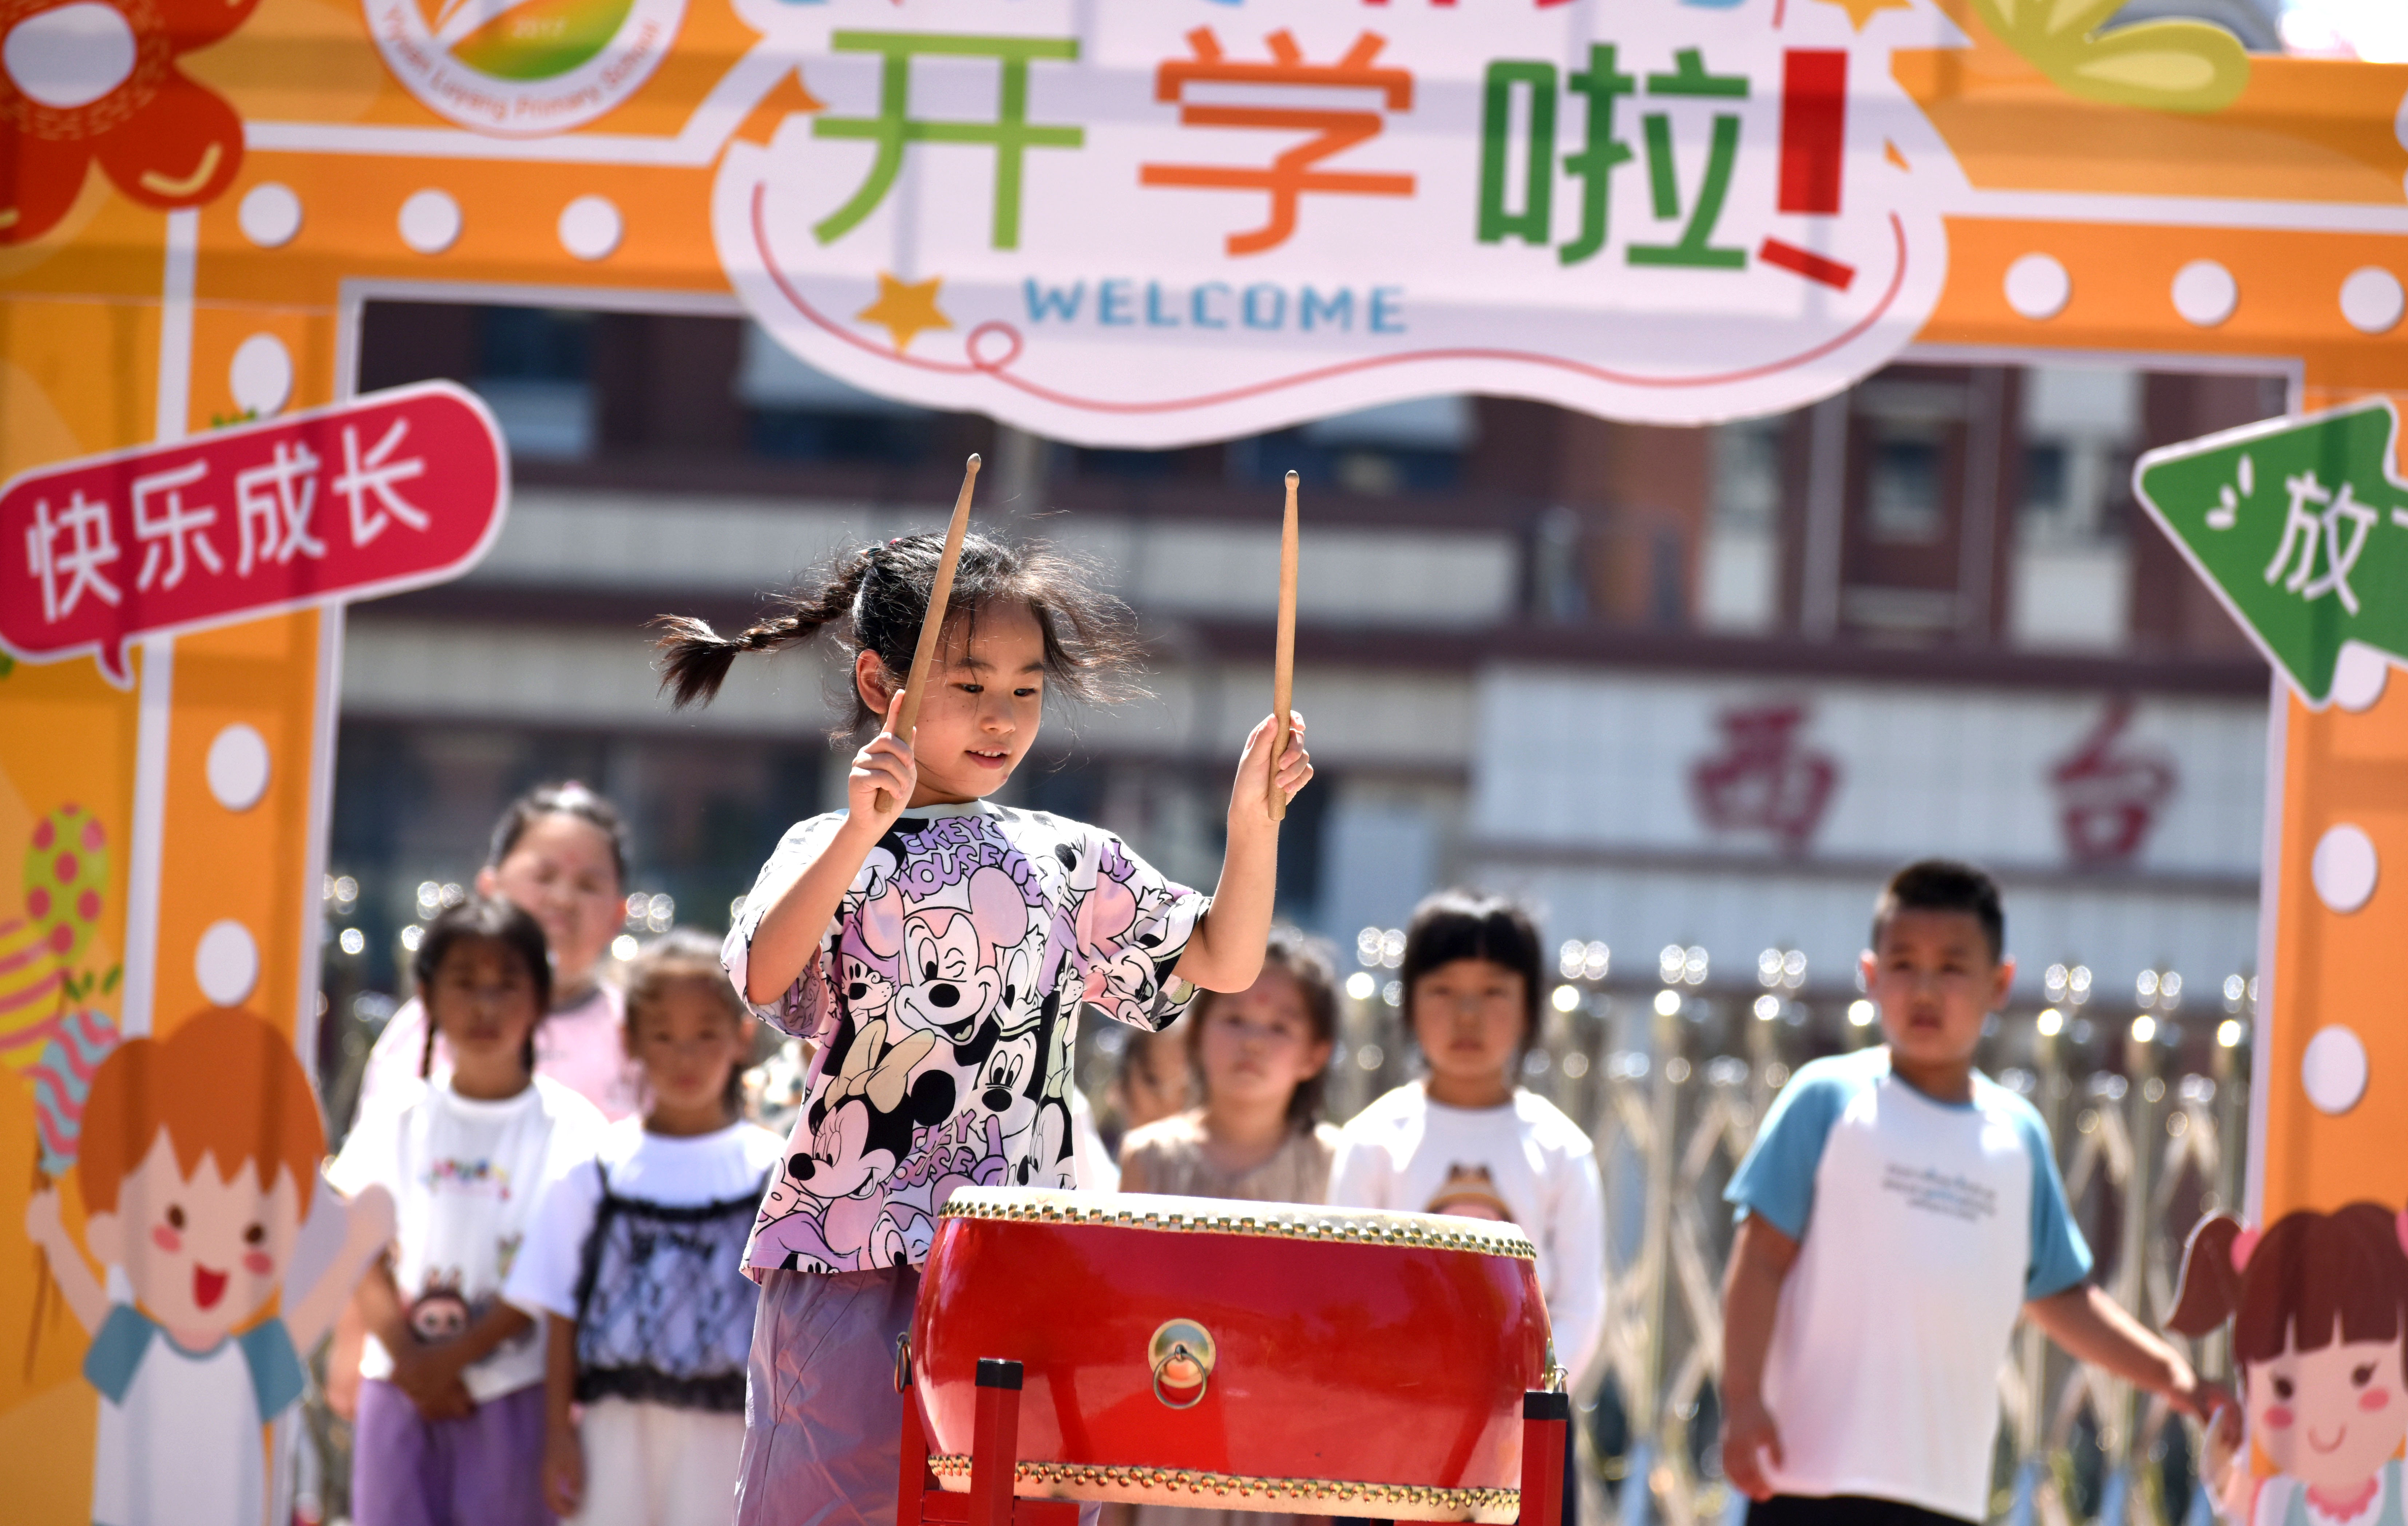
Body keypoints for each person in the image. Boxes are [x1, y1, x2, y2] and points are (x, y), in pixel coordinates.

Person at [652, 529, 1312, 1526]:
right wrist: (861, 830)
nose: (1002, 716)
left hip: (1024, 1258)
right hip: (851, 1249)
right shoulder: (827, 843)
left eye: (1026, 688)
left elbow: (1222, 957)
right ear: (880, 683)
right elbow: (761, 973)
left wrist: (1252, 824)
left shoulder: (1071, 857)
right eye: (970, 685)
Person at [1718, 859, 2220, 1526]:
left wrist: (2171, 1375)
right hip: (1809, 1479)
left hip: (1946, 1492)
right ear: (1871, 975)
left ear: (2000, 983)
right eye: (1904, 964)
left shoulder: (2017, 1136)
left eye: (1952, 967)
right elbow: (1759, 1258)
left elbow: (2061, 1296)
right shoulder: (1826, 1100)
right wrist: (1742, 1399)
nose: (1925, 989)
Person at [22, 1009, 395, 1526]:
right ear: (111, 1229)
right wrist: (52, 1237)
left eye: (254, 1234)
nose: (214, 1256)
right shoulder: (138, 1345)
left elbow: (305, 1323)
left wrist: (355, 1249)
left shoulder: (250, 1356)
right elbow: (87, 1305)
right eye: (175, 1219)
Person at [334, 896, 610, 1526]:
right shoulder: (396, 1116)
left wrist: (449, 1361)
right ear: (427, 997)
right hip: (398, 1386)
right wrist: (411, 1361)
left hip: (515, 1392)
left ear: (540, 999)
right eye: (464, 982)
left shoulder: (572, 1129)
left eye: (506, 984)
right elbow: (357, 1245)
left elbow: (553, 1276)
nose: (485, 1005)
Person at [507, 930, 784, 1526]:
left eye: (705, 1035)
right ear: (629, 1039)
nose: (686, 1058)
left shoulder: (775, 1172)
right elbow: (560, 1314)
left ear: (741, 1037)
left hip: (730, 1435)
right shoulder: (594, 1169)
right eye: (663, 1036)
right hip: (612, 1434)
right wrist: (558, 1434)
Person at [1327, 892, 1607, 1385]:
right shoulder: (1373, 1140)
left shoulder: (1562, 1150)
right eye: (1443, 990)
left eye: (1494, 991)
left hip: (1531, 1413)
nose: (1468, 1014)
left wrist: (1528, 1394)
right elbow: (1345, 1288)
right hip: (1399, 1405)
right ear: (1409, 1004)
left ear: (1530, 1008)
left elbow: (1580, 1307)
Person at [359, 781, 641, 1124]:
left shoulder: (645, 1034)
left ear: (619, 914)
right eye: (544, 876)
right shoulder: (427, 1028)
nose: (563, 900)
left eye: (588, 886)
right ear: (489, 888)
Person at [2167, 1203, 2408, 1526]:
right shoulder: (2279, 1500)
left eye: (2362, 1376)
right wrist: (2221, 1451)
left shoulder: (2401, 1487)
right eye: (2285, 1388)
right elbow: (2231, 1490)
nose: (2327, 1423)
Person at [1119, 925, 1341, 1205]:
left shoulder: (1337, 1162)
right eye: (1235, 1021)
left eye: (1279, 1028)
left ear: (1314, 1056)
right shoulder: (1149, 1158)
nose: (1253, 1043)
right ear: (1196, 1034)